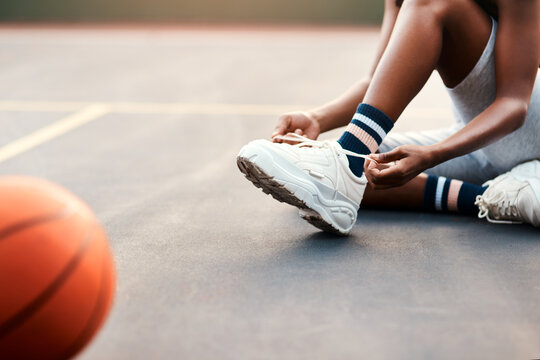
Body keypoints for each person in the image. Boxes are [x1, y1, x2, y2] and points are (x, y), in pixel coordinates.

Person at [237, 0, 540, 235]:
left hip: (528, 132)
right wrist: (317, 118)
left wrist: (433, 154)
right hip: (476, 142)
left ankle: (346, 161)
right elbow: (378, 81)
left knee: (346, 163)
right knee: (320, 177)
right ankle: (489, 199)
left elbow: (513, 105)